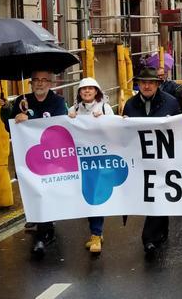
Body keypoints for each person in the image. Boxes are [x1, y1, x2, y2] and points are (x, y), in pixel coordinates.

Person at [0, 70, 68, 257]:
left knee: (46, 193)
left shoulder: (58, 102)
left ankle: (42, 235)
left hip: (51, 157)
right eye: (36, 80)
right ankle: (44, 228)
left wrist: (31, 120)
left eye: (44, 80)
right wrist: (8, 112)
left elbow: (58, 125)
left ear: (51, 84)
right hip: (29, 157)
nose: (39, 84)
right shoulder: (23, 101)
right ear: (30, 83)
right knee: (35, 192)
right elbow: (9, 126)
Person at [121, 68, 180, 257]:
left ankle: (149, 238)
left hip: (164, 159)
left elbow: (181, 129)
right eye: (143, 82)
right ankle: (160, 230)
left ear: (157, 84)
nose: (146, 86)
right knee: (151, 195)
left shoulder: (171, 103)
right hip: (141, 160)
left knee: (159, 193)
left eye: (151, 82)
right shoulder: (130, 105)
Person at [66, 77, 115, 255]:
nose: (87, 92)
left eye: (90, 89)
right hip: (81, 161)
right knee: (86, 196)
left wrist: (104, 120)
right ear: (79, 93)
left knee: (95, 196)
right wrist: (69, 119)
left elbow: (115, 129)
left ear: (96, 92)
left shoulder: (104, 108)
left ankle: (96, 234)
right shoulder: (73, 110)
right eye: (83, 89)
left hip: (100, 159)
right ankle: (96, 232)